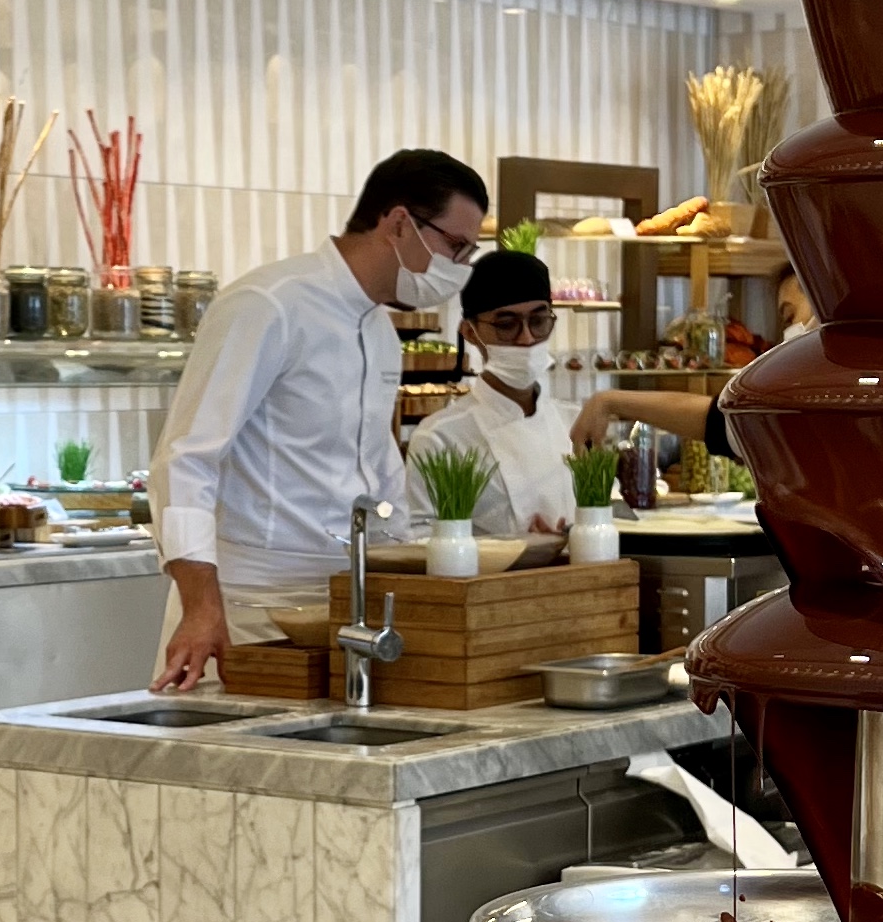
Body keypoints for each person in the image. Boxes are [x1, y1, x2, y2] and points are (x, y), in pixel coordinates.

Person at [148, 148, 488, 691]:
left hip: (344, 603)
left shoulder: (379, 331)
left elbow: (379, 470)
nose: (460, 268)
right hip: (247, 607)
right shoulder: (268, 304)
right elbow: (186, 459)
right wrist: (201, 606)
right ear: (399, 223)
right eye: (456, 247)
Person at [401, 250, 573, 538]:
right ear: (470, 332)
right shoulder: (440, 438)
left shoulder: (572, 422)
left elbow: (612, 511)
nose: (527, 338)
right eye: (506, 325)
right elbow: (422, 541)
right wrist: (512, 549)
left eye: (538, 321)